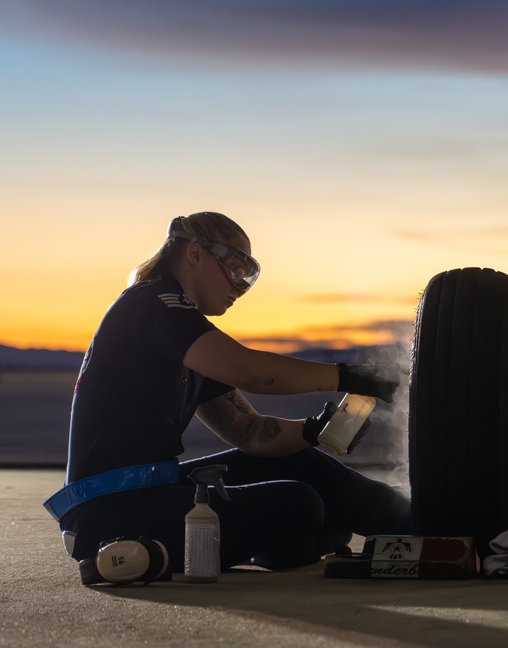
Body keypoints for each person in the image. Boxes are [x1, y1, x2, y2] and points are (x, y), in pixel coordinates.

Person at [44, 212, 412, 581]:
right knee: (298, 505)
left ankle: (416, 521)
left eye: (248, 277)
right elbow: (254, 373)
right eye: (236, 269)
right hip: (110, 510)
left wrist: (313, 432)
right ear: (195, 254)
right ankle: (126, 552)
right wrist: (347, 375)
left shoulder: (180, 332)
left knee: (304, 468)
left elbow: (249, 432)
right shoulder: (153, 305)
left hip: (156, 490)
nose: (240, 287)